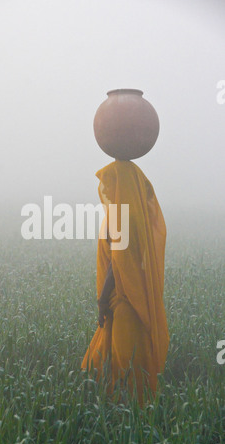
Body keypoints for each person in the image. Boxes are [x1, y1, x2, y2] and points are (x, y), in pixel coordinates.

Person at [81, 159, 169, 405]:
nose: (106, 191)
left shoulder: (122, 218)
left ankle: (128, 422)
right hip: (135, 300)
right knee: (133, 363)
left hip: (124, 304)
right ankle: (138, 414)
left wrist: (102, 301)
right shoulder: (137, 216)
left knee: (124, 369)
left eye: (110, 184)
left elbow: (116, 263)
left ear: (122, 186)